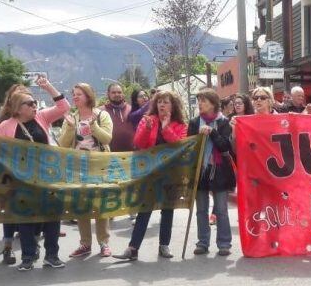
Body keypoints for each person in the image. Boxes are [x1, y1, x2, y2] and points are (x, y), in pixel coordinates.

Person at [0, 76, 69, 270]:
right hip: (21, 181)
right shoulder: (5, 126)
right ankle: (27, 256)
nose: (35, 106)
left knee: (52, 215)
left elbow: (63, 107)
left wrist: (48, 87)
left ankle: (51, 255)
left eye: (35, 103)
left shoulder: (42, 117)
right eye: (30, 103)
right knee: (25, 218)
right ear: (18, 108)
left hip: (48, 177)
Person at [113, 91, 188, 261]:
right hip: (149, 173)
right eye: (160, 102)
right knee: (144, 209)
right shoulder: (148, 120)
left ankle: (164, 246)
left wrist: (166, 127)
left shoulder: (181, 124)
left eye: (166, 102)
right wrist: (147, 129)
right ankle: (133, 248)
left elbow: (178, 146)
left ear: (173, 105)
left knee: (167, 209)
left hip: (170, 173)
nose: (162, 105)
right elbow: (139, 143)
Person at [59, 83, 114, 258]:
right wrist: (68, 128)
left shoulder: (102, 115)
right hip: (78, 167)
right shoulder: (72, 118)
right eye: (73, 94)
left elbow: (107, 138)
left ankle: (104, 242)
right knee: (81, 205)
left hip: (99, 165)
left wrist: (94, 127)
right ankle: (85, 243)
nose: (74, 97)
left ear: (88, 96)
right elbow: (63, 144)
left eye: (78, 94)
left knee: (100, 205)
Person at [188, 88, 235, 256]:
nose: (200, 104)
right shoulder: (194, 122)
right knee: (201, 209)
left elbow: (225, 147)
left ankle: (224, 243)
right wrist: (198, 138)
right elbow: (190, 148)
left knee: (221, 209)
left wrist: (212, 132)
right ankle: (202, 242)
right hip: (200, 170)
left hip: (219, 169)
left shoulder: (224, 122)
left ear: (214, 104)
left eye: (204, 101)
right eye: (199, 100)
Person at [101, 83, 134, 153]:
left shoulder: (132, 109)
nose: (117, 95)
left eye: (119, 92)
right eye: (113, 92)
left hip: (132, 155)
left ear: (123, 94)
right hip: (109, 156)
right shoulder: (100, 112)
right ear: (108, 94)